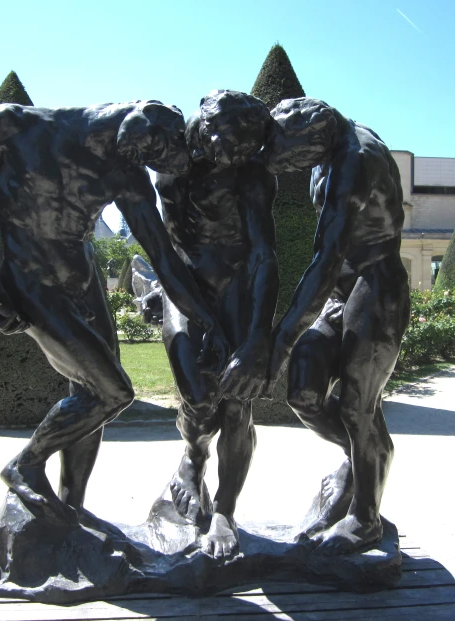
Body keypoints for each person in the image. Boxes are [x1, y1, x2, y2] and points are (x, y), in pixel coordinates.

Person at [0, 100, 228, 526]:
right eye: (147, 157)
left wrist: (205, 317)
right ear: (134, 132)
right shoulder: (12, 125)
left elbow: (162, 255)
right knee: (111, 392)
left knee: (85, 393)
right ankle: (25, 465)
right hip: (29, 278)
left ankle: (71, 509)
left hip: (81, 282)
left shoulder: (126, 169)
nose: (141, 168)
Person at [254, 97, 410, 555]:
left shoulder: (356, 160)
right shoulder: (330, 146)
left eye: (287, 160)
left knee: (358, 408)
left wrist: (280, 341)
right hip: (343, 291)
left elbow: (324, 261)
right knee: (303, 393)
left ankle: (366, 517)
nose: (284, 169)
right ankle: (365, 460)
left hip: (376, 285)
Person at [156, 90, 278, 559]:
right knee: (197, 392)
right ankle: (193, 455)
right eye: (226, 145)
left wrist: (256, 339)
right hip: (184, 282)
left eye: (243, 150)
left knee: (236, 403)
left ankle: (225, 508)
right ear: (203, 127)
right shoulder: (170, 165)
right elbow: (164, 242)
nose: (233, 157)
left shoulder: (250, 173)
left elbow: (265, 254)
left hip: (237, 286)